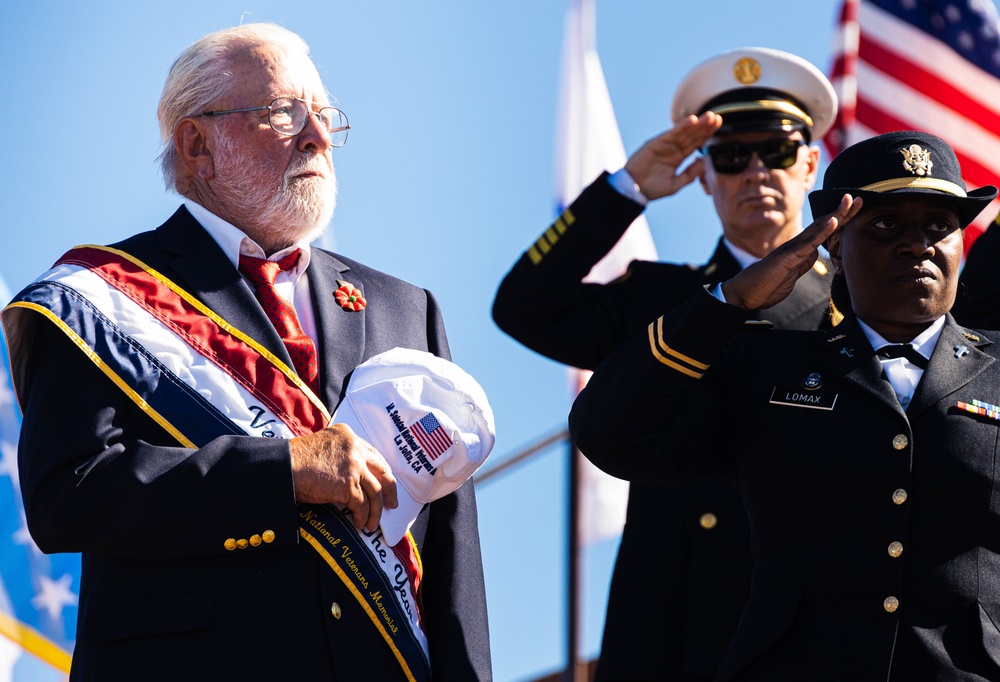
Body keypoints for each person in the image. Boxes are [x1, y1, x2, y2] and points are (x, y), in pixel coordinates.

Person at [2, 23, 490, 681]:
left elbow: (451, 565)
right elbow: (69, 498)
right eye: (284, 114)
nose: (316, 135)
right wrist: (279, 468)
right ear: (197, 144)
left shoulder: (407, 308)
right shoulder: (100, 296)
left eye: (323, 115)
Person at [570, 130, 1000, 680]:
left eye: (939, 225)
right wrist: (727, 303)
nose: (917, 244)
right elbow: (609, 432)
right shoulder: (766, 368)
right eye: (886, 225)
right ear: (835, 249)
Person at [493, 47, 837, 679]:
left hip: (809, 622)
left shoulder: (856, 305)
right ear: (703, 175)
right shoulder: (662, 300)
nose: (755, 171)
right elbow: (525, 307)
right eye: (731, 156)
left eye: (778, 151)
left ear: (811, 162)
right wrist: (625, 190)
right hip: (675, 631)